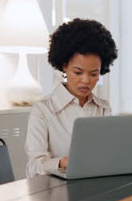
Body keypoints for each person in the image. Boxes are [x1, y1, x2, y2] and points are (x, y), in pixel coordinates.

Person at [25, 18, 118, 177]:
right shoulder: (43, 110)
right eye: (78, 72)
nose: (86, 80)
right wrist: (61, 162)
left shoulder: (103, 108)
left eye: (94, 74)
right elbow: (33, 168)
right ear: (64, 67)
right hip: (56, 193)